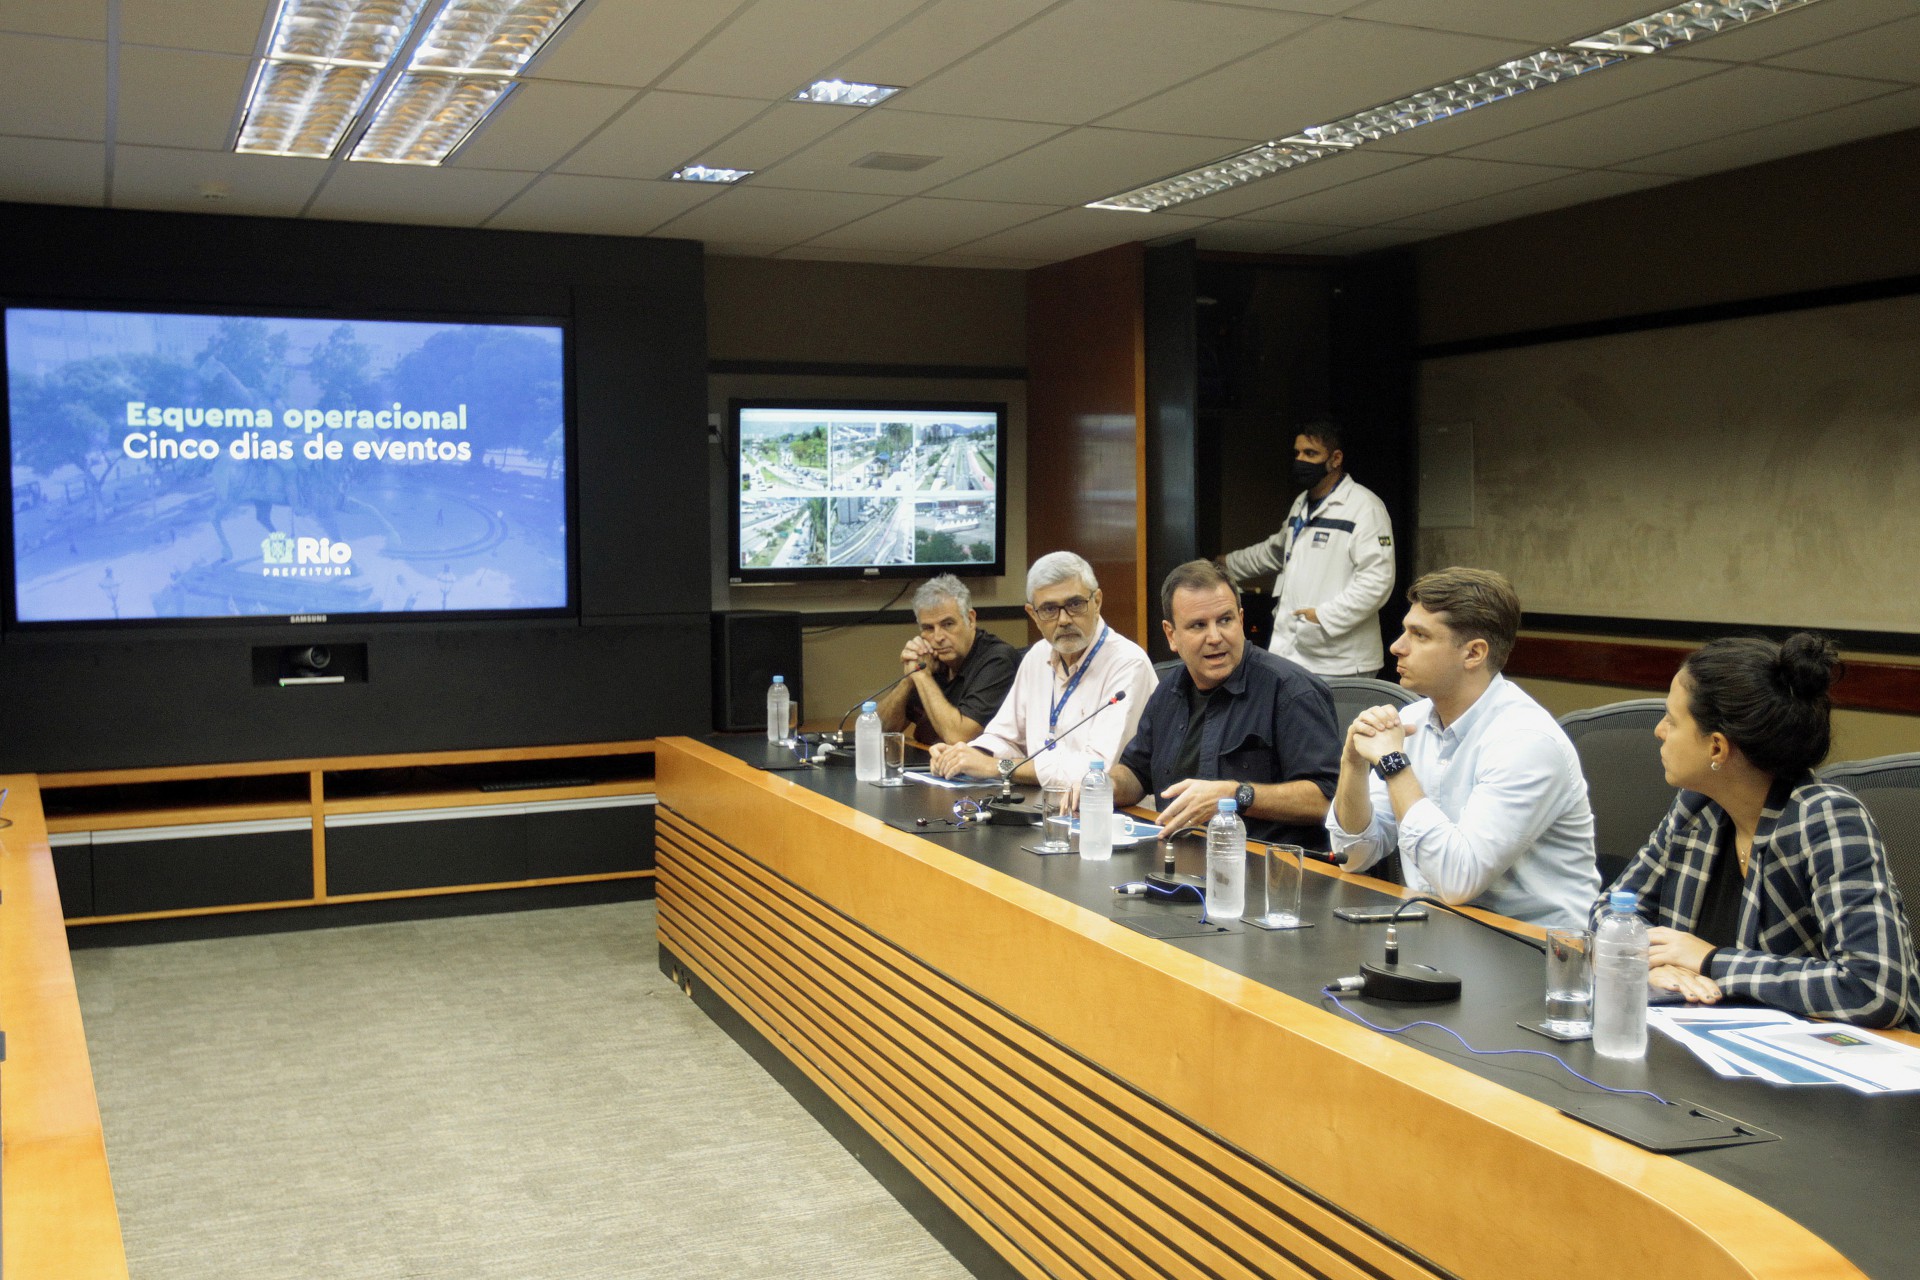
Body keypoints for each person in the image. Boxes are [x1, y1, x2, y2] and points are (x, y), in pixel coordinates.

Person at [1600, 634, 1919, 1029]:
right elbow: (1612, 912)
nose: (1659, 731)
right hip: (1713, 1043)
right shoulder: (1696, 807)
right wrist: (1647, 968)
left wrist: (1711, 961)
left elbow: (1874, 988)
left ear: (1717, 748)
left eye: (1672, 720)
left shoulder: (1827, 819)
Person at [1328, 567, 1599, 930]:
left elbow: (1458, 879)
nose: (1397, 646)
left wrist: (1394, 764)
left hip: (1538, 953)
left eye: (1419, 635)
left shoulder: (1527, 741)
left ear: (1473, 653)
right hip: (1441, 930)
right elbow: (1354, 855)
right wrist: (1354, 765)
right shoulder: (1412, 720)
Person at [1109, 560, 1339, 849]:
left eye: (1225, 620)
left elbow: (1328, 800)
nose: (1215, 637)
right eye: (1198, 625)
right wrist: (1105, 787)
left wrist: (1235, 794)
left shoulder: (1291, 691)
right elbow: (1136, 772)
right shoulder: (1168, 688)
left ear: (1241, 620)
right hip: (1180, 855)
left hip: (1269, 871)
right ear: (1171, 635)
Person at [928, 551, 1156, 792]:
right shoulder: (1037, 656)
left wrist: (999, 767)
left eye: (1075, 604)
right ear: (1033, 615)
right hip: (1044, 805)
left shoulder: (1128, 664)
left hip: (1110, 814)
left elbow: (1097, 771)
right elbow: (1005, 736)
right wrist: (966, 755)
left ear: (1097, 602)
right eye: (1049, 609)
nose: (1064, 619)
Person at [1219, 420, 1394, 678]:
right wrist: (1224, 565)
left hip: (1340, 660)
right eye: (1297, 453)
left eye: (1310, 454)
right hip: (1294, 654)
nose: (1300, 460)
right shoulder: (1302, 503)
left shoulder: (1365, 507)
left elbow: (1377, 582)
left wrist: (1322, 616)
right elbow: (1276, 551)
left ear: (1335, 459)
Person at [875, 574, 1018, 746]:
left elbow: (958, 738)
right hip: (930, 764)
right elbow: (878, 731)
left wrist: (922, 675)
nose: (938, 637)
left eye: (948, 624)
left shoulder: (998, 660)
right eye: (928, 628)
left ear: (971, 619)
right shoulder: (930, 659)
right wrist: (908, 680)